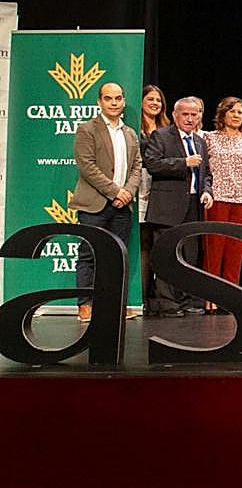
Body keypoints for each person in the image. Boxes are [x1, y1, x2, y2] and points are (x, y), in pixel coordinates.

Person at [70, 82, 141, 322]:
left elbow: (137, 166)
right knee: (89, 254)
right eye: (108, 98)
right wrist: (115, 192)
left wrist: (128, 192)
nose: (114, 103)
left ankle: (113, 306)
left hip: (123, 206)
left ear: (123, 101)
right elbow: (87, 167)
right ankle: (85, 305)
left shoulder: (130, 133)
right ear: (99, 102)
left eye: (118, 98)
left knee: (116, 257)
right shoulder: (87, 129)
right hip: (95, 205)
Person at [143, 96, 212, 316]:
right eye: (185, 114)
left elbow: (206, 174)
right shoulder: (161, 136)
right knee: (167, 256)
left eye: (194, 114)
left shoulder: (200, 141)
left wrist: (207, 191)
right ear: (175, 115)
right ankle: (167, 303)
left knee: (189, 256)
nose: (190, 119)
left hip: (193, 205)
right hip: (167, 208)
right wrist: (184, 163)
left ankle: (186, 300)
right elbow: (152, 164)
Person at [201, 96, 242, 311]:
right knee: (214, 250)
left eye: (240, 112)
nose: (237, 116)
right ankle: (210, 297)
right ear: (223, 114)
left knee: (235, 252)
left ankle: (230, 299)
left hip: (241, 201)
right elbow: (204, 170)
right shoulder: (209, 138)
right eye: (232, 111)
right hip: (216, 200)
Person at [137, 84, 169, 310]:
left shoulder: (166, 127)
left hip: (162, 187)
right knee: (143, 242)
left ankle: (159, 296)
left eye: (158, 100)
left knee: (160, 243)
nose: (155, 103)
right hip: (139, 184)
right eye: (151, 99)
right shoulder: (134, 127)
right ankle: (141, 295)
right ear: (141, 102)